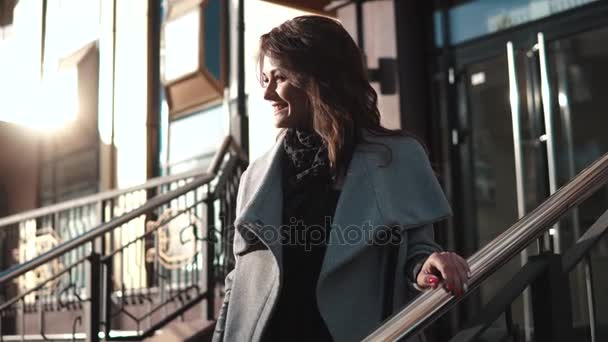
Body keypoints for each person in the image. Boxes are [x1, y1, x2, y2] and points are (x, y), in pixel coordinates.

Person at [212, 15, 470, 342]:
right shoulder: (256, 175)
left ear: (320, 77)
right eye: (264, 79)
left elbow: (415, 254)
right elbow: (239, 282)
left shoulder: (396, 156)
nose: (268, 94)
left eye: (280, 78)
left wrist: (427, 267)